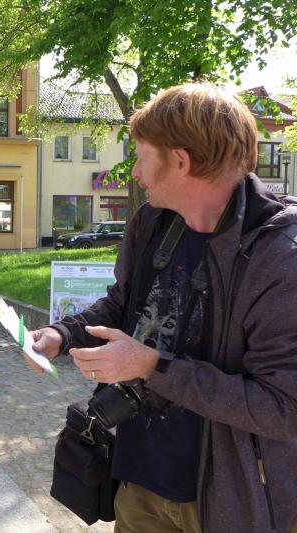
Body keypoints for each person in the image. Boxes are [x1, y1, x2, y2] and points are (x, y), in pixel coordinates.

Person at [27, 84, 297, 533]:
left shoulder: (280, 255)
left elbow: (284, 408)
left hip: (230, 500)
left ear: (180, 160)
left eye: (140, 156)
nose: (135, 172)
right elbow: (122, 304)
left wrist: (153, 367)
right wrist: (62, 334)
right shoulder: (151, 222)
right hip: (139, 481)